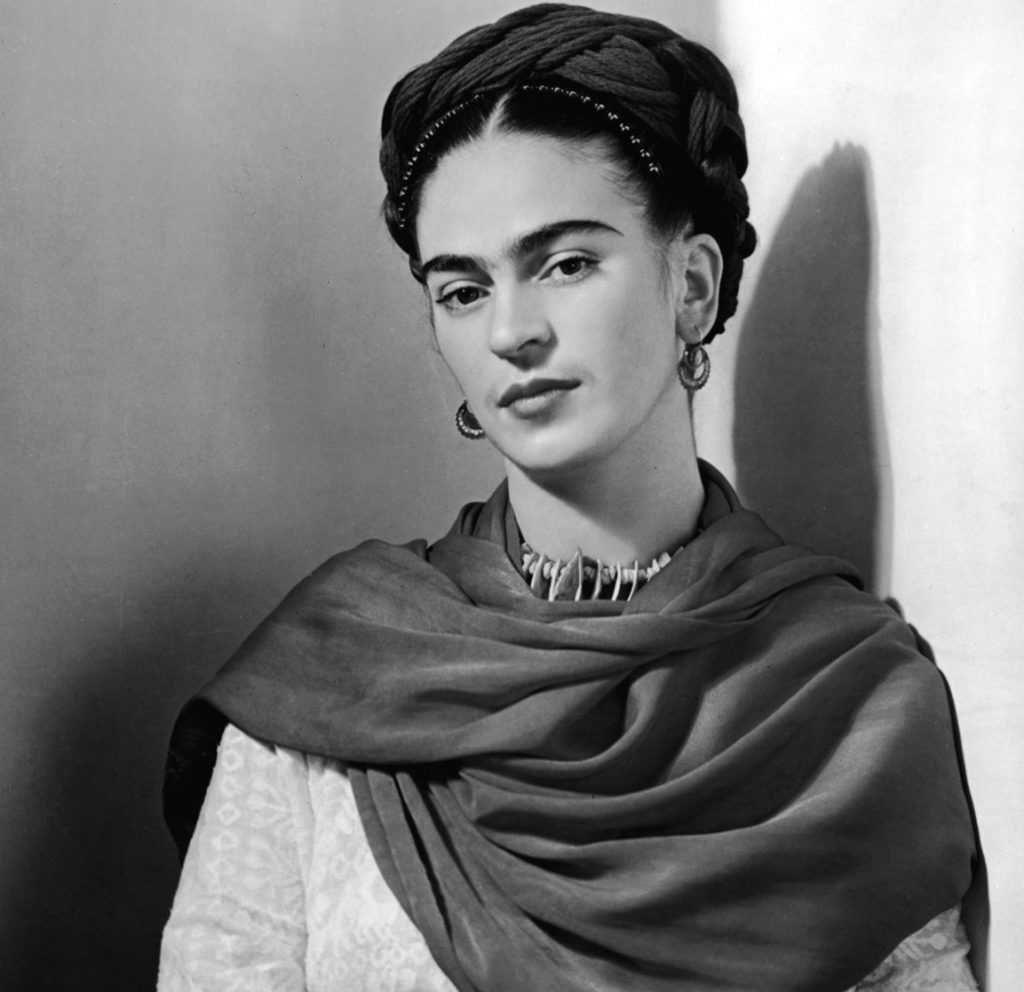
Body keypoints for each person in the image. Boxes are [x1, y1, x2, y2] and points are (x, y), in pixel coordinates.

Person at [157, 5, 985, 990]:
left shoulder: (847, 700)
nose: (511, 331)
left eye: (565, 263)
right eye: (463, 289)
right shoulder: (334, 676)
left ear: (692, 285)